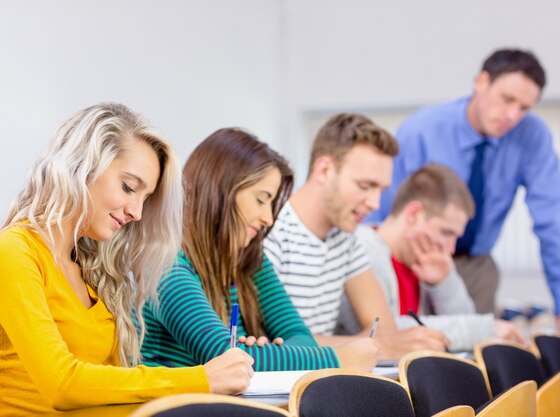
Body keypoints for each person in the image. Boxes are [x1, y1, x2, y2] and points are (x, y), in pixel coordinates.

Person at [0, 103, 253, 416]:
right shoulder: (14, 251)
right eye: (128, 187)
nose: (137, 212)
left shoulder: (89, 269)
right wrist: (201, 379)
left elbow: (112, 386)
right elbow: (62, 384)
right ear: (82, 166)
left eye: (145, 198)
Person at [369, 48, 560, 361]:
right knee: (418, 352)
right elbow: (387, 210)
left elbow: (554, 219)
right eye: (507, 99)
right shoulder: (422, 130)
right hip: (413, 257)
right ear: (481, 82)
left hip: (477, 264)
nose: (512, 116)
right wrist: (370, 260)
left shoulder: (531, 136)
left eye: (524, 108)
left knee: (480, 361)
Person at [140, 128, 376, 372]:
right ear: (221, 190)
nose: (268, 218)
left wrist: (262, 354)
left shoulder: (250, 261)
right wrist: (338, 360)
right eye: (261, 199)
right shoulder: (166, 267)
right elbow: (225, 358)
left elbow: (302, 337)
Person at [264, 112, 450, 360]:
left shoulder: (346, 238)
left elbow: (384, 330)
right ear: (324, 170)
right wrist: (375, 346)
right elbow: (269, 345)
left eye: (381, 190)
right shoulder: (269, 230)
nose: (374, 204)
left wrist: (374, 344)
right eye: (365, 186)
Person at [337, 164, 525, 351]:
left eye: (455, 237)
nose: (451, 248)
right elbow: (386, 333)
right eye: (445, 232)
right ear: (414, 214)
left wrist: (444, 284)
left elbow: (468, 333)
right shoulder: (361, 250)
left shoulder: (427, 260)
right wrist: (484, 330)